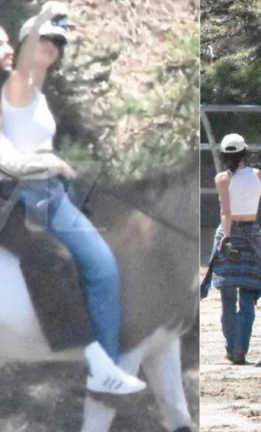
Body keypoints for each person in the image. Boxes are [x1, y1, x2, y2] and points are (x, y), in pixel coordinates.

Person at [0, 2, 145, 394]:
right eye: (43, 41)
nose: (51, 45)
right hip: (35, 192)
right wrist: (46, 16)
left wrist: (59, 162)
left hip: (49, 184)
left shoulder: (36, 93)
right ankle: (105, 367)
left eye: (57, 42)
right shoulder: (18, 83)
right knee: (102, 266)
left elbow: (27, 140)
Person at [200, 133, 261, 365]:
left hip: (228, 232)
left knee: (227, 297)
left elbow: (226, 213)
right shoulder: (257, 174)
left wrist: (228, 238)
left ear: (224, 154)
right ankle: (241, 349)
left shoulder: (222, 178)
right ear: (245, 153)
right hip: (251, 235)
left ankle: (231, 347)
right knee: (248, 296)